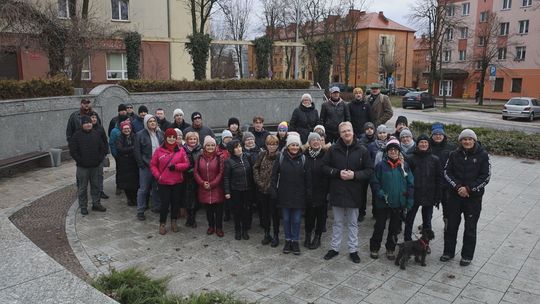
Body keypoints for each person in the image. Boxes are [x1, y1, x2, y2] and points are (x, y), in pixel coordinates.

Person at [322, 122, 373, 263]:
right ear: (340, 134)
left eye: (348, 130)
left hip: (354, 192)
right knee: (337, 223)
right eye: (343, 131)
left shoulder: (362, 150)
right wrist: (337, 173)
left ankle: (353, 250)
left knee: (352, 223)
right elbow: (324, 167)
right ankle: (334, 248)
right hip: (337, 191)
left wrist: (355, 175)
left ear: (353, 131)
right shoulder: (333, 149)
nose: (346, 133)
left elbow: (369, 170)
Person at [441, 129, 490, 266]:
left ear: (474, 140)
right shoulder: (453, 154)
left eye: (469, 139)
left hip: (473, 199)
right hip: (455, 197)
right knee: (451, 226)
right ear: (460, 141)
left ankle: (467, 256)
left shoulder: (483, 155)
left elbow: (485, 177)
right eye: (464, 139)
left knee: (470, 228)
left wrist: (468, 188)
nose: (467, 141)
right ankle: (448, 252)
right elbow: (446, 172)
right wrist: (457, 187)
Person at [369, 139, 414, 260]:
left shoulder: (404, 166)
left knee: (394, 228)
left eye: (395, 150)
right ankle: (374, 247)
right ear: (387, 152)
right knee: (379, 226)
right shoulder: (380, 165)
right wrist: (380, 193)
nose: (393, 152)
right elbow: (374, 181)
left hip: (398, 203)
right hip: (383, 202)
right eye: (391, 150)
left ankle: (390, 248)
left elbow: (410, 183)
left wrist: (409, 200)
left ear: (399, 152)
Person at [269, 133, 311, 255]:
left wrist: (308, 193)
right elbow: (274, 175)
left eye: (297, 145)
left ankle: (295, 241)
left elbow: (308, 178)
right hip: (284, 194)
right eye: (292, 144)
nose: (294, 147)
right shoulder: (281, 157)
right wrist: (273, 190)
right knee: (286, 219)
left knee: (297, 220)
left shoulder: (303, 159)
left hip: (299, 195)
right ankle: (288, 240)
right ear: (288, 145)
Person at [150, 128, 190, 235]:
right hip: (163, 182)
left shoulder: (181, 150)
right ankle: (162, 223)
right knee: (165, 204)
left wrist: (177, 167)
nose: (172, 139)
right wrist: (158, 176)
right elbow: (153, 165)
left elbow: (186, 164)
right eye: (169, 137)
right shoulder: (159, 151)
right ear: (165, 138)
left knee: (175, 203)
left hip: (177, 182)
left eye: (174, 137)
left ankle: (174, 221)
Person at [404, 134, 440, 246]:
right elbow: (405, 177)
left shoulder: (435, 159)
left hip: (429, 194)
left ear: (428, 144)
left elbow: (439, 178)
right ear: (417, 144)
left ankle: (425, 243)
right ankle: (407, 241)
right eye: (421, 142)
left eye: (426, 142)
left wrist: (438, 195)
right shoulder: (410, 158)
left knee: (427, 221)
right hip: (414, 194)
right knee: (409, 219)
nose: (423, 144)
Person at [68, 115, 107, 215]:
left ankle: (96, 203)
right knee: (82, 188)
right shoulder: (76, 135)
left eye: (89, 122)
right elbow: (73, 151)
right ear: (82, 124)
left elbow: (102, 148)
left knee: (96, 186)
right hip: (82, 167)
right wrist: (80, 160)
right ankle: (83, 206)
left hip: (95, 166)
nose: (88, 124)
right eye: (86, 123)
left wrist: (99, 159)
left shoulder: (96, 134)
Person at [134, 114, 164, 221]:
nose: (152, 123)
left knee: (156, 188)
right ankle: (140, 211)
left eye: (154, 121)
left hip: (158, 166)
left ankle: (156, 207)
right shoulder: (140, 135)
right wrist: (141, 164)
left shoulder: (160, 134)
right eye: (150, 121)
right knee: (143, 189)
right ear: (146, 123)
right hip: (146, 166)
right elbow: (137, 151)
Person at [194, 136, 226, 237]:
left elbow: (221, 172)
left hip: (217, 188)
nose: (210, 147)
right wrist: (202, 183)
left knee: (219, 210)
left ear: (215, 146)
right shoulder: (199, 157)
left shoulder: (219, 157)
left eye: (212, 145)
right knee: (209, 210)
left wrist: (212, 184)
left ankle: (219, 228)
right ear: (204, 146)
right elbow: (196, 172)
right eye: (208, 145)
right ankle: (211, 226)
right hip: (204, 188)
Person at [253, 135, 281, 246]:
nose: (272, 146)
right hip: (262, 189)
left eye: (274, 144)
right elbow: (255, 167)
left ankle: (276, 235)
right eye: (269, 144)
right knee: (265, 213)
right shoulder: (262, 154)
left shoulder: (280, 156)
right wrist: (259, 181)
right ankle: (266, 233)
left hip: (274, 190)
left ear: (277, 145)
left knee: (275, 214)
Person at [224, 139, 254, 241]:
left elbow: (252, 173)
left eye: (240, 146)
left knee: (247, 210)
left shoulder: (247, 157)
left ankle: (245, 230)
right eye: (236, 147)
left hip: (248, 189)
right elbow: (226, 177)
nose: (239, 149)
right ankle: (238, 229)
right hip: (236, 190)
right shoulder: (229, 161)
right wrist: (227, 192)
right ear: (232, 150)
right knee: (237, 211)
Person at [303, 132, 328, 250]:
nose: (316, 141)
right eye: (313, 140)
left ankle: (317, 237)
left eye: (318, 140)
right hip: (308, 191)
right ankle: (308, 235)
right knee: (309, 216)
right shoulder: (304, 155)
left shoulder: (326, 155)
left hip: (322, 191)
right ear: (309, 142)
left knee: (321, 216)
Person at [429, 123, 456, 230]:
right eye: (435, 134)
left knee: (447, 204)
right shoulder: (427, 146)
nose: (438, 136)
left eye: (440, 134)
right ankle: (427, 224)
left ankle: (447, 222)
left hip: (446, 183)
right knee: (428, 205)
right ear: (432, 135)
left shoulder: (451, 148)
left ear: (444, 135)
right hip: (431, 182)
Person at [115, 120, 139, 206]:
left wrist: (128, 150)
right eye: (124, 128)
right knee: (126, 184)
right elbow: (120, 149)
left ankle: (135, 199)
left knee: (135, 183)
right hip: (124, 164)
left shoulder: (135, 136)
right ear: (121, 129)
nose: (126, 130)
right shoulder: (119, 138)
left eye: (128, 128)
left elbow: (137, 148)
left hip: (133, 163)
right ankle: (129, 199)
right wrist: (132, 148)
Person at [183, 131, 203, 228]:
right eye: (190, 139)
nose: (193, 141)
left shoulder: (200, 150)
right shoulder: (182, 150)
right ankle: (189, 217)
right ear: (186, 140)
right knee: (187, 198)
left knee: (195, 199)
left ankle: (193, 218)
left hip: (196, 178)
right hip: (185, 178)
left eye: (194, 139)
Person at [90, 111, 110, 199]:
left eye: (95, 117)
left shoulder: (100, 128)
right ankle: (93, 191)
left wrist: (105, 152)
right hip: (89, 157)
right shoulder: (86, 128)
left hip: (100, 156)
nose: (94, 119)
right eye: (92, 117)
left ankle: (100, 191)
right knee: (91, 175)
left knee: (100, 175)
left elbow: (105, 140)